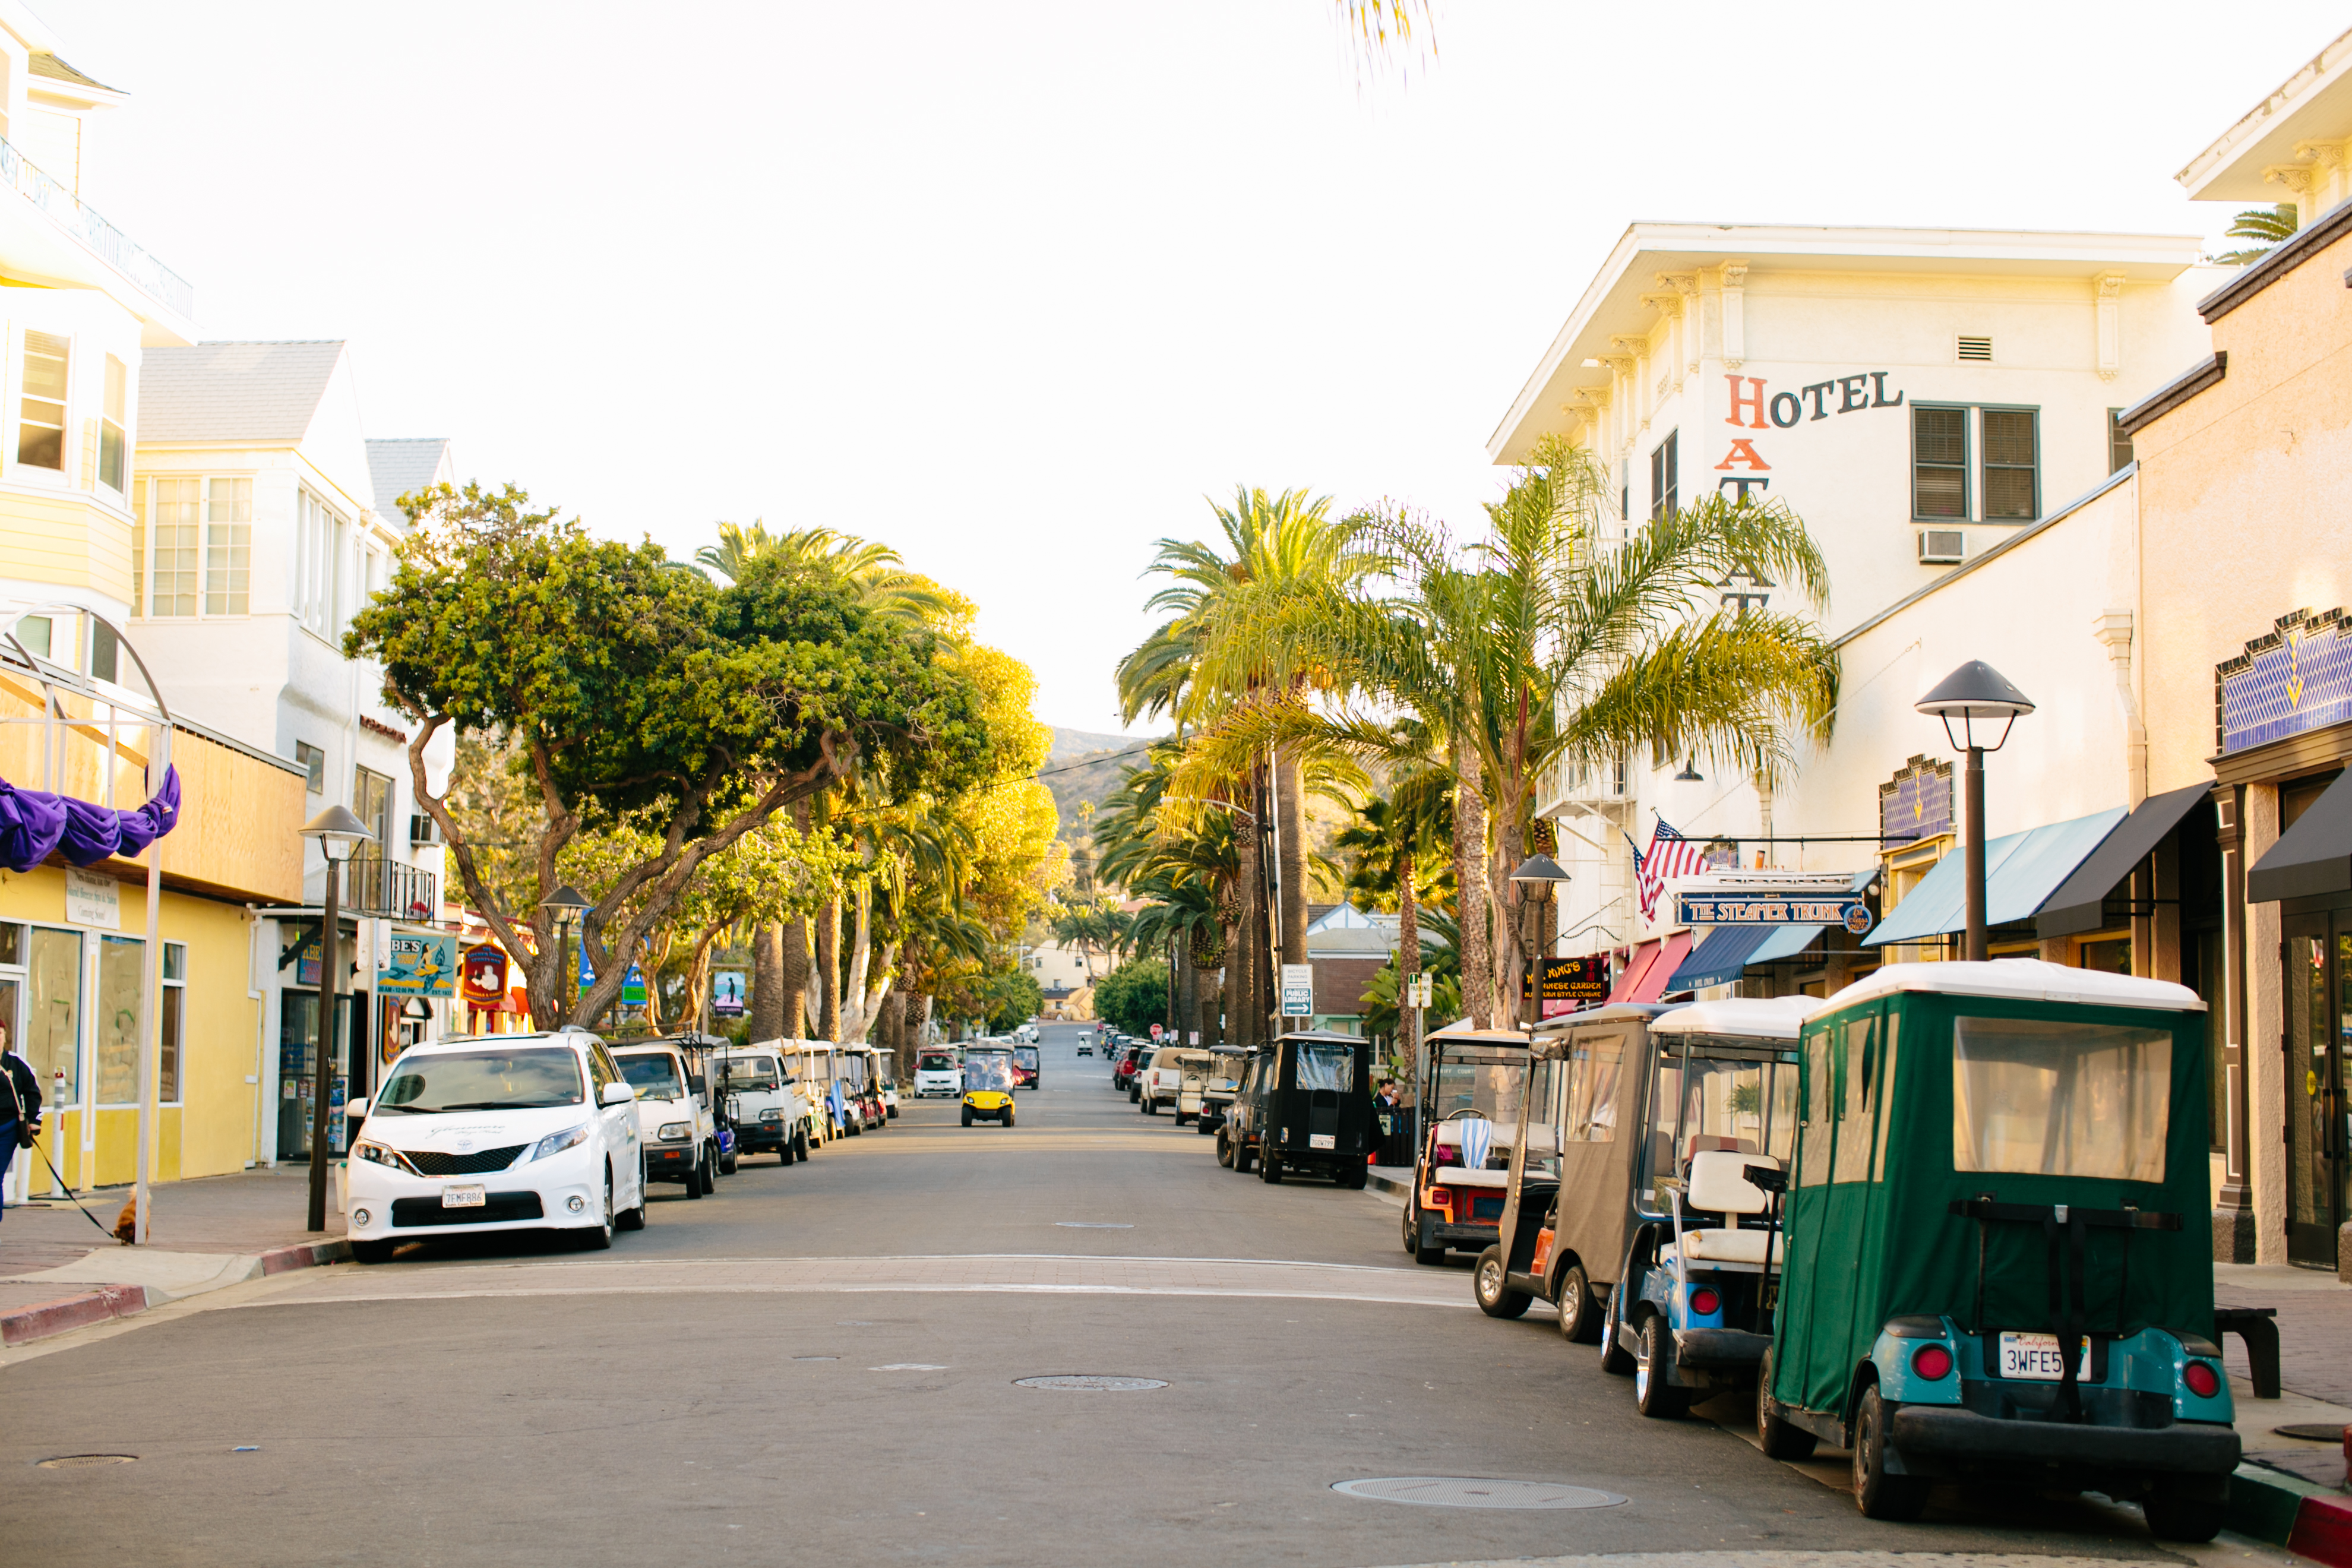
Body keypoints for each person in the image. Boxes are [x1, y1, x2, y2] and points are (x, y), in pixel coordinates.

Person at [0, 1022, 41, 1219]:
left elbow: (32, 1091)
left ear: (5, 1036)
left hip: (7, 1128)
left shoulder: (15, 1063)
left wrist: (34, 1120)